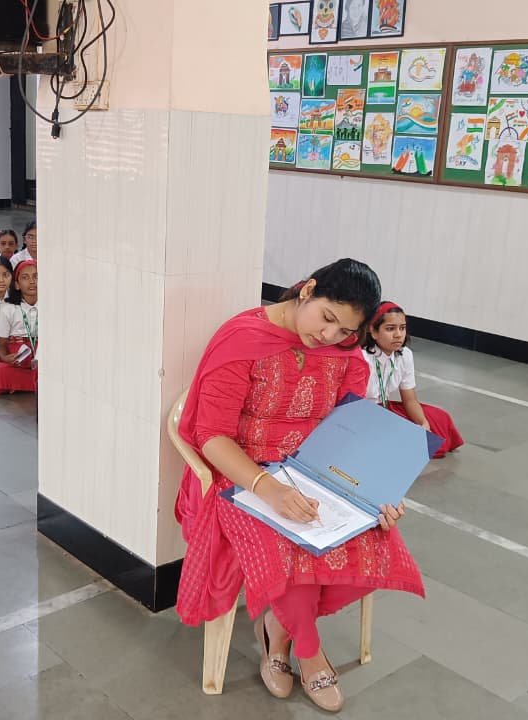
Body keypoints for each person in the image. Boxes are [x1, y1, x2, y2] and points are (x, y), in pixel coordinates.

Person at [174, 259, 422, 712]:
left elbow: (353, 430)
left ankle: (278, 630)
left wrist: (378, 491)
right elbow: (212, 436)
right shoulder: (243, 339)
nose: (328, 335)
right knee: (291, 546)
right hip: (242, 476)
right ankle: (308, 652)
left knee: (381, 542)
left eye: (344, 330)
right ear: (307, 290)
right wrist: (269, 489)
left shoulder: (344, 352)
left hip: (317, 472)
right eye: (326, 318)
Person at [362, 302, 464, 458]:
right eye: (390, 329)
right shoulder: (363, 358)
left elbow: (410, 400)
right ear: (373, 332)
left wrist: (423, 424)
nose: (398, 335)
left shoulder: (405, 355)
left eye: (402, 328)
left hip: (385, 408)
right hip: (363, 414)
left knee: (440, 418)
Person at [0, 259, 38, 394]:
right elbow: (1, 344)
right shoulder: (8, 309)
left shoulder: (51, 305)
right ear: (17, 285)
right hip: (20, 356)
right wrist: (5, 357)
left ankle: (26, 383)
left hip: (43, 354)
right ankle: (37, 383)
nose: (32, 281)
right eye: (25, 278)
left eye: (36, 276)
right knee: (2, 372)